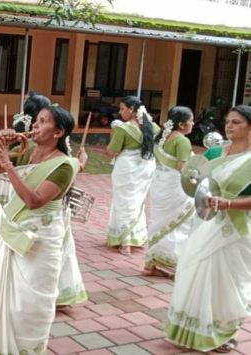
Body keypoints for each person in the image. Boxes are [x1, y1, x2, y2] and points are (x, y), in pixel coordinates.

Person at [0, 105, 79, 354]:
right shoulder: (28, 152)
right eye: (36, 121)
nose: (35, 126)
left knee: (27, 305)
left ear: (58, 132)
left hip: (40, 244)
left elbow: (34, 200)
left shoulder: (64, 166)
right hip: (13, 237)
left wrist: (7, 162)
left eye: (43, 122)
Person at [165, 105, 251, 353]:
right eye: (228, 121)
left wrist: (230, 203)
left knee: (228, 281)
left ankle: (224, 332)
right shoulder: (215, 152)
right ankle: (193, 329)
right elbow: (196, 180)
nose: (229, 126)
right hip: (206, 223)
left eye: (236, 122)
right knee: (197, 270)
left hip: (235, 230)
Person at [145, 106, 195, 277]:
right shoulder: (182, 141)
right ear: (181, 124)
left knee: (159, 221)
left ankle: (152, 262)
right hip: (175, 185)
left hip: (159, 183)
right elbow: (183, 167)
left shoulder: (162, 138)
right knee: (179, 223)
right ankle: (174, 264)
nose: (193, 123)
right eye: (191, 120)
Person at [106, 96, 160, 255]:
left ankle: (125, 242)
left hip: (127, 169)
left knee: (123, 202)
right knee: (137, 202)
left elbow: (112, 151)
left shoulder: (124, 129)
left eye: (122, 108)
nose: (120, 112)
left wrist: (112, 135)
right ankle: (136, 237)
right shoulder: (153, 127)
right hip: (146, 167)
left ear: (132, 109)